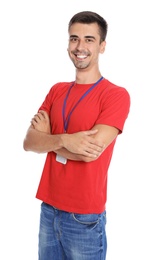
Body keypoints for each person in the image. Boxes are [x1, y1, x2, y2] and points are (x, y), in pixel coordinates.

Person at [23, 11, 130, 260]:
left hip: (83, 217)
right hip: (49, 209)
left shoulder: (115, 95)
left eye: (89, 39)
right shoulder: (56, 90)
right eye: (74, 38)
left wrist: (47, 139)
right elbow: (28, 142)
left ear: (102, 46)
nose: (80, 46)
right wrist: (64, 140)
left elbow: (90, 152)